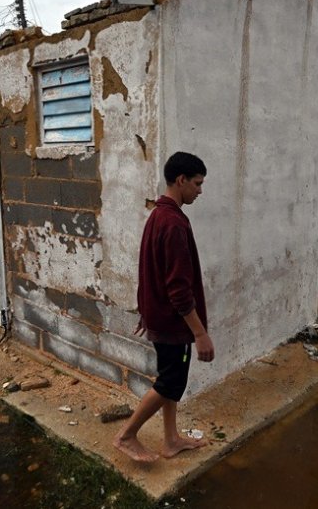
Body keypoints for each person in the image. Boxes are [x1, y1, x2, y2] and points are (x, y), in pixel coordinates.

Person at [113, 151, 214, 463]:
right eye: (197, 184)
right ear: (181, 180)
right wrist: (200, 334)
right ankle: (127, 435)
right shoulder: (172, 223)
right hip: (174, 324)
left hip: (161, 318)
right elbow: (178, 290)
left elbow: (150, 271)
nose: (200, 190)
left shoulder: (160, 215)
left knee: (172, 380)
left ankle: (171, 440)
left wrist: (147, 311)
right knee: (169, 382)